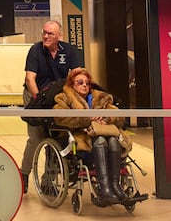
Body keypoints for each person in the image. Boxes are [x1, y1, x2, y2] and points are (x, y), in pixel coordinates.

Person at [53, 68, 132, 204]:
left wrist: (106, 118)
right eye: (80, 82)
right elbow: (60, 118)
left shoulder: (101, 98)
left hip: (106, 134)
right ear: (72, 84)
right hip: (82, 138)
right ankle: (104, 188)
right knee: (101, 140)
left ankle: (115, 186)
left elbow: (119, 116)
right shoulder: (64, 98)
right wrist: (87, 119)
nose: (84, 85)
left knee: (113, 140)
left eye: (87, 83)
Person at [20, 20, 81, 193]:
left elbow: (78, 75)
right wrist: (39, 100)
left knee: (57, 138)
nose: (45, 36)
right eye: (44, 32)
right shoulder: (35, 50)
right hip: (35, 95)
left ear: (59, 37)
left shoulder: (68, 51)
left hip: (56, 98)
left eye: (50, 34)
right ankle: (23, 173)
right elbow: (29, 79)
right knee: (37, 138)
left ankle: (48, 180)